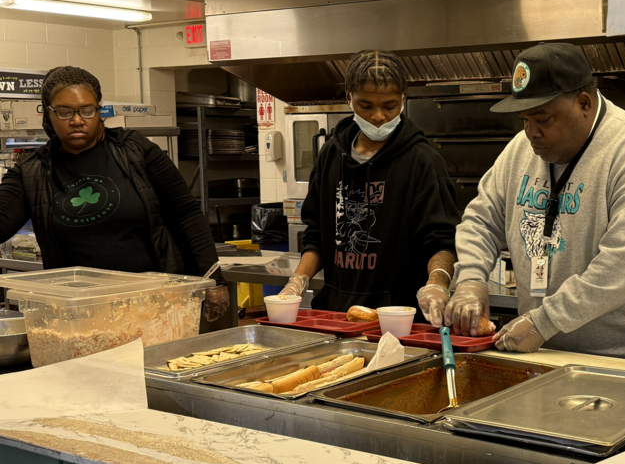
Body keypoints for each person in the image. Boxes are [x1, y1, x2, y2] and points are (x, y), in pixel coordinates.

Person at [445, 43, 625, 358]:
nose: (530, 132)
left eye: (543, 119)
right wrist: (470, 278)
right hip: (547, 352)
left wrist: (545, 321)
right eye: (524, 120)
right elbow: (483, 219)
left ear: (584, 104)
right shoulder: (521, 149)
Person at [0, 66, 229, 321]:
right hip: (80, 313)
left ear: (99, 111)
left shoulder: (134, 149)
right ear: (48, 114)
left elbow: (186, 213)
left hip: (156, 302)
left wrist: (213, 278)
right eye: (64, 112)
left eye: (87, 110)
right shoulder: (32, 172)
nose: (77, 120)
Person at [280, 50, 460, 320]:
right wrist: (296, 283)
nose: (378, 117)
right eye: (366, 106)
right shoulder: (330, 155)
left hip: (397, 317)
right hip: (335, 313)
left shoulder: (423, 162)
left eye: (390, 106)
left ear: (403, 99)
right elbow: (317, 234)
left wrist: (437, 282)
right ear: (348, 98)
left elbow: (442, 241)